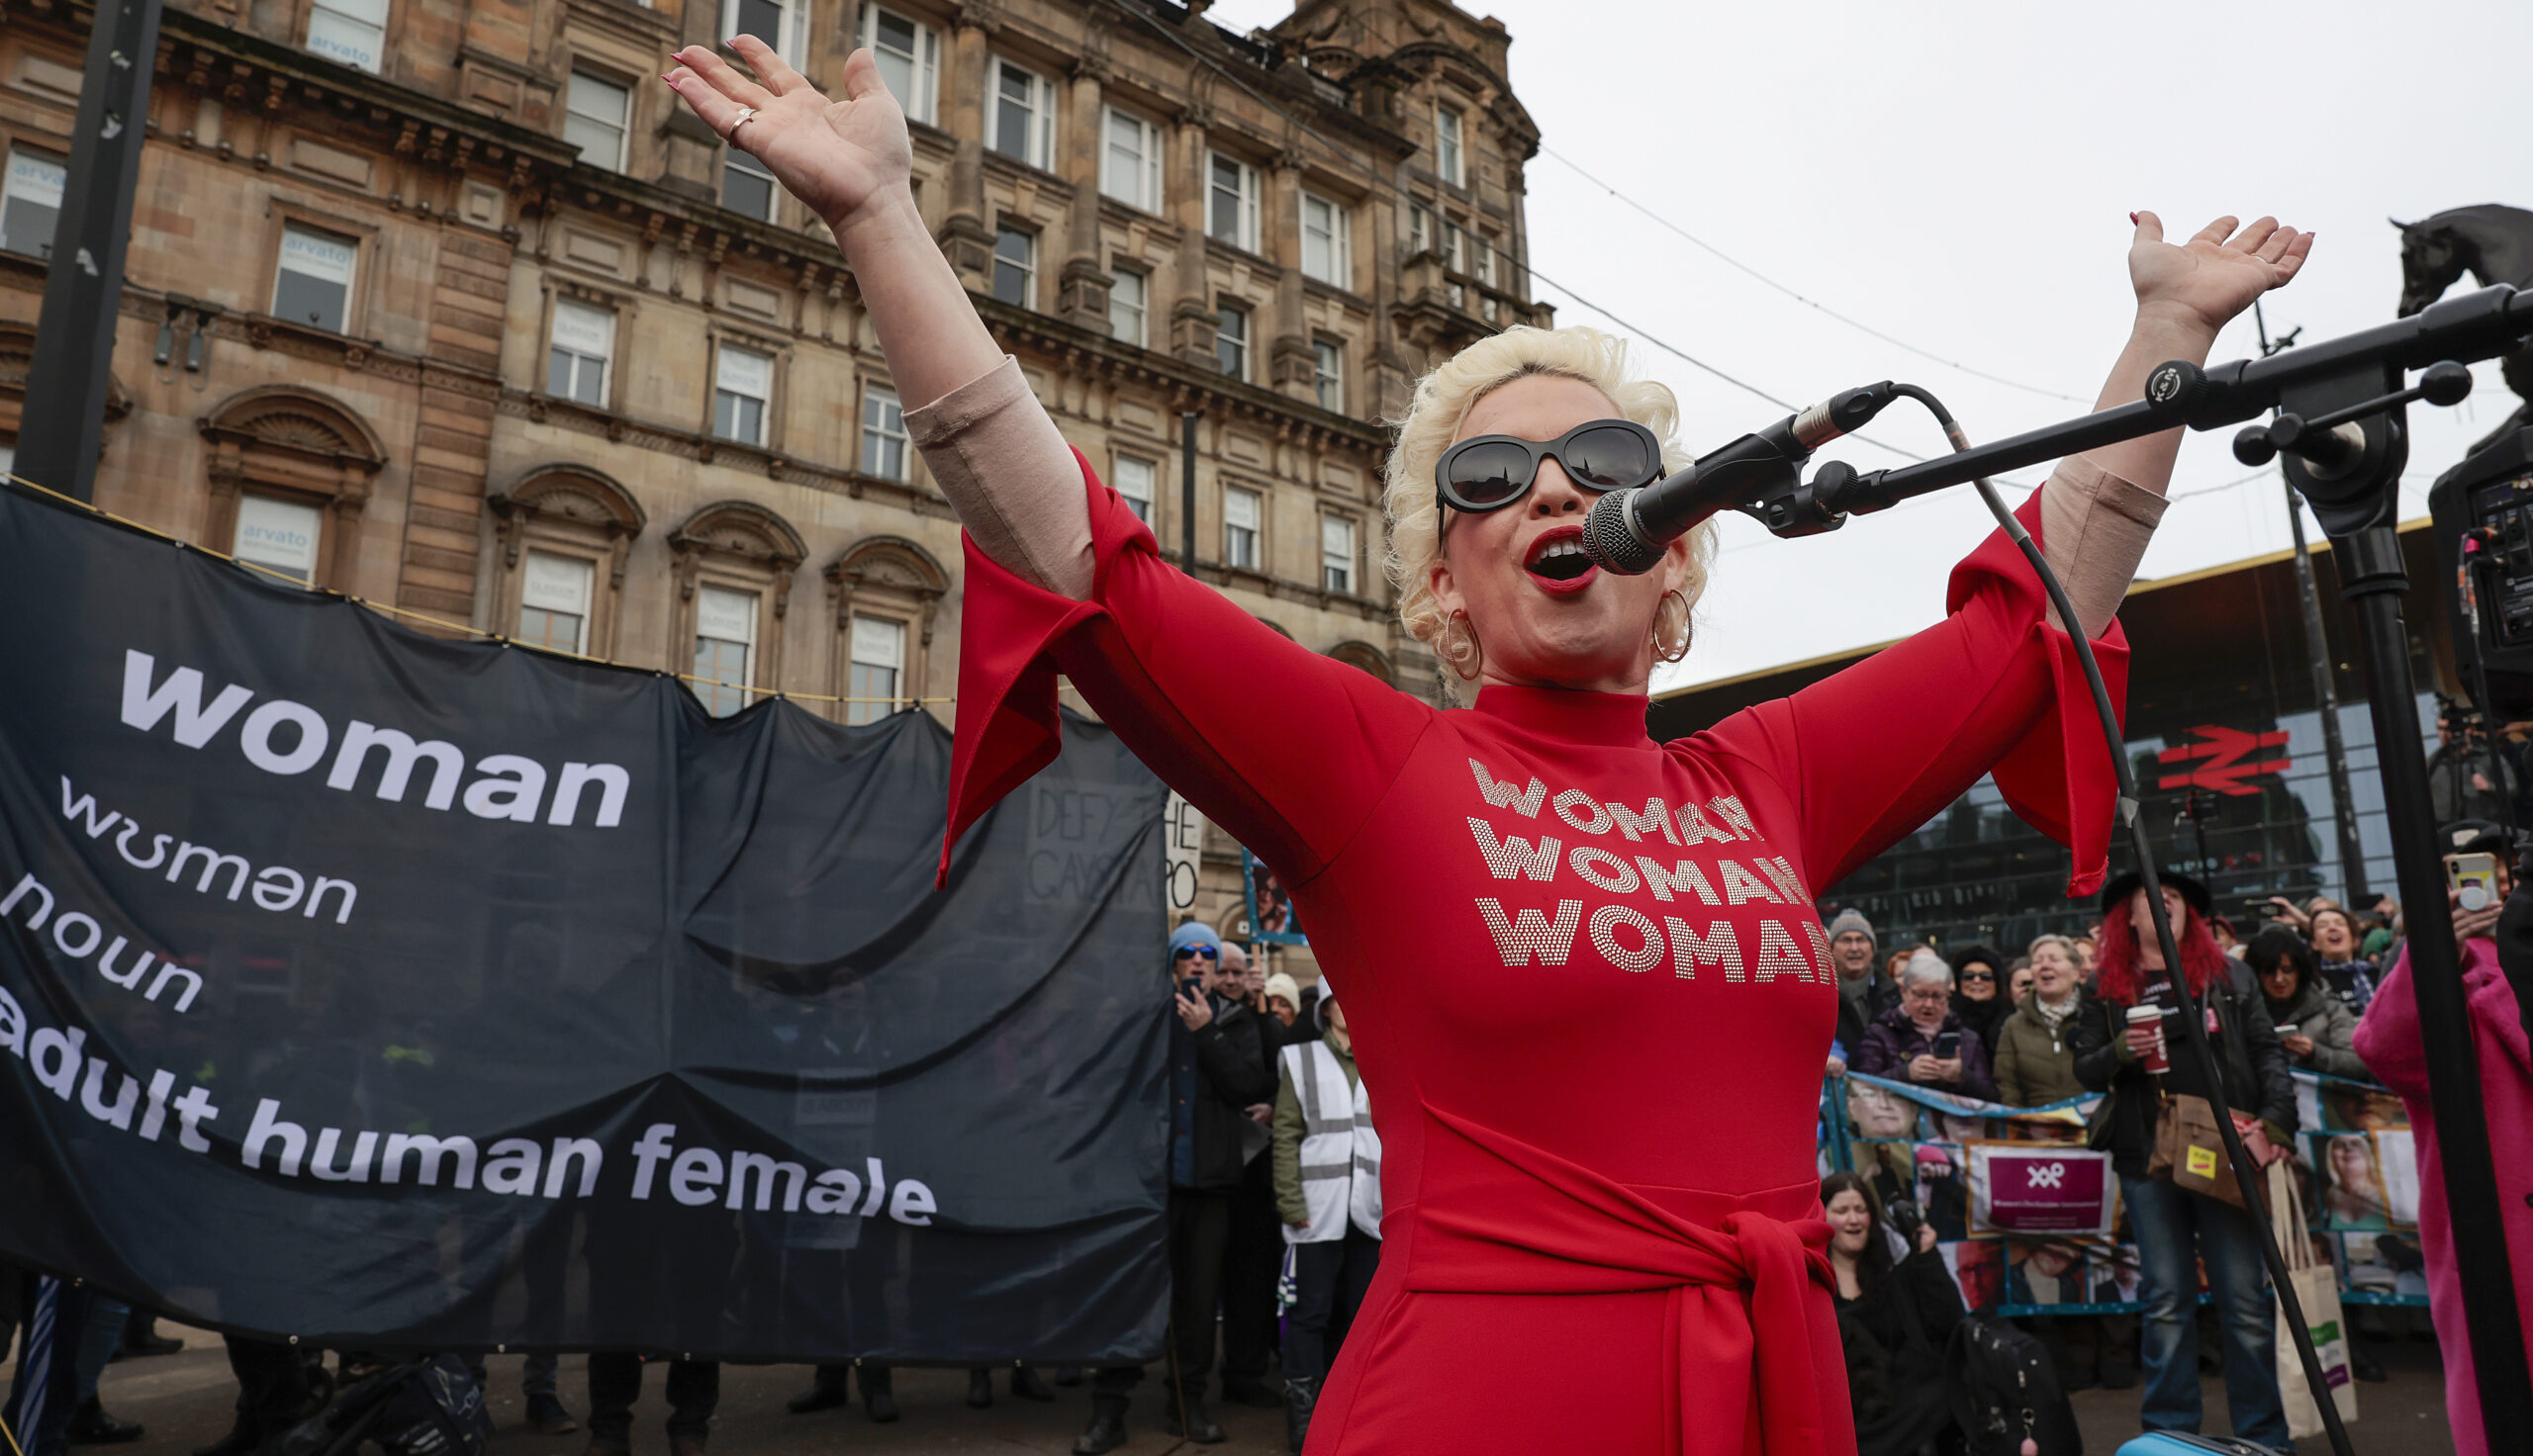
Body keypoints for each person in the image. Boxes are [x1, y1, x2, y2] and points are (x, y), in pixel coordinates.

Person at [658, 39, 2311, 1451]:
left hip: (1773, 1388)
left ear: (1676, 555)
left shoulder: (1766, 774)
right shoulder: (1374, 765)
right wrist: (882, 216)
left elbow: (2027, 619)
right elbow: (1084, 556)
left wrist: (2168, 338)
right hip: (1483, 1402)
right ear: (1442, 583)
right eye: (1488, 479)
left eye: (1602, 462)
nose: (1552, 490)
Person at [2074, 868, 2294, 1450]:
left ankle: (2264, 1438)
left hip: (2225, 1153)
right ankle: (2169, 1438)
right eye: (2150, 897)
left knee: (2244, 1302)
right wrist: (2122, 1049)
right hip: (2147, 1158)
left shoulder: (2229, 974)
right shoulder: (2104, 986)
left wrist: (2275, 1122)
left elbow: (2267, 1052)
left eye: (2171, 896)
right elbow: (2085, 1068)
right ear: (2128, 917)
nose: (2162, 902)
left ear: (2186, 913)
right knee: (2167, 1301)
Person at [2353, 831, 2533, 1456]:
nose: (2499, 887)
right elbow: (2386, 1052)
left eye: (2510, 873)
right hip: (2497, 1244)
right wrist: (2435, 954)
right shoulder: (2448, 963)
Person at [1272, 996, 1382, 1453]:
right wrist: (1289, 1199)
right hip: (1316, 1210)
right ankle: (1305, 1417)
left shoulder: (1383, 1058)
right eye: (1336, 998)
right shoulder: (1302, 1059)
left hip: (1373, 1212)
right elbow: (1285, 1134)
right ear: (1324, 1008)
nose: (1345, 1006)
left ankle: (1351, 1413)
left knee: (1363, 1316)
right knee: (1308, 1314)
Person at [1820, 1173, 1961, 1456]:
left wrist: (1928, 1257)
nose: (1853, 1220)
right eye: (1842, 1211)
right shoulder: (1813, 1285)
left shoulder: (1893, 1272)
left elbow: (1948, 1321)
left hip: (1905, 1405)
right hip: (1845, 1409)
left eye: (1860, 1210)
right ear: (1822, 1218)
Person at [1217, 942, 1289, 1413]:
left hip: (1256, 1174)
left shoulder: (1263, 1021)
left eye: (1238, 971)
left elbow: (1282, 1073)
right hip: (1207, 1171)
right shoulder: (1194, 1019)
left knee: (1253, 1280)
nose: (1229, 979)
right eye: (1222, 971)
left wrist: (1277, 1107)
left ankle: (1246, 1372)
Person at [1855, 951, 2000, 1100]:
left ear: (1948, 995)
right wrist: (1906, 1074)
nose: (1929, 1004)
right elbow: (1860, 1088)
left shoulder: (1968, 1038)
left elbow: (1992, 1098)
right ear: (1903, 991)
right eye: (1920, 995)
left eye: (1937, 996)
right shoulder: (1879, 1033)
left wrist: (1962, 1077)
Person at [1992, 933, 2102, 1108]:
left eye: (2054, 959)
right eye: (2037, 961)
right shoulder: (2014, 1025)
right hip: (2037, 1123)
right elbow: (2007, 1086)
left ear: (2075, 972)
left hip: (2095, 1120)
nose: (2045, 966)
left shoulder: (2095, 1014)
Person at [2243, 926, 2365, 1078]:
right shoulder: (2244, 1014)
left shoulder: (2329, 1009)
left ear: (2300, 971)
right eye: (2269, 971)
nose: (2279, 979)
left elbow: (2358, 1062)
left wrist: (2314, 1053)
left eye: (2287, 969)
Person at [1827, 908, 1893, 1075]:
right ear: (1831, 949)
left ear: (1872, 947)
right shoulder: (1822, 998)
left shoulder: (1894, 993)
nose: (1854, 948)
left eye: (1861, 940)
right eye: (1846, 940)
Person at [2306, 905, 2377, 1016]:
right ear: (2314, 943)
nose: (2332, 928)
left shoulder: (2375, 974)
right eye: (2322, 925)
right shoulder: (2310, 981)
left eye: (2340, 924)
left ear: (2355, 940)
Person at [1946, 943, 2012, 1055]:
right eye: (1968, 976)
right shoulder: (1946, 1018)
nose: (1976, 981)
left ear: (1997, 983)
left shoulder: (2011, 1020)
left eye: (1986, 977)